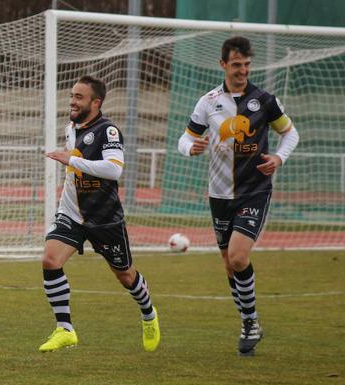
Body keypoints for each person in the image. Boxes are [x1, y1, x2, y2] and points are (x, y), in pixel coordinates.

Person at [177, 36, 299, 356]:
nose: (242, 70)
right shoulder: (208, 101)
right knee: (229, 265)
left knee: (239, 256)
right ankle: (250, 321)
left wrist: (279, 158)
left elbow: (290, 133)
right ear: (223, 65)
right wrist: (192, 147)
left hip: (255, 190)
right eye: (236, 65)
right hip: (219, 194)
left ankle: (250, 322)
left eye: (246, 64)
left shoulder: (265, 100)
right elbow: (185, 139)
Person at [40, 75, 161, 353]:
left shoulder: (109, 131)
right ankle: (65, 329)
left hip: (105, 219)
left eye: (79, 97)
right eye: (72, 95)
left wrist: (70, 159)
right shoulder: (70, 128)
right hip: (72, 214)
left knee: (126, 277)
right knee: (50, 259)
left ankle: (148, 313)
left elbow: (114, 169)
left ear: (96, 103)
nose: (72, 100)